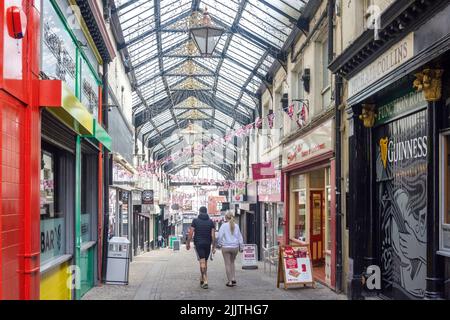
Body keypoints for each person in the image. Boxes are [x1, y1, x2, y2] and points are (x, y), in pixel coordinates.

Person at [186, 206, 216, 289]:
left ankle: (205, 280)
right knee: (205, 262)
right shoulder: (211, 222)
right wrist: (213, 246)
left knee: (202, 262)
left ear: (199, 212)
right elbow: (213, 236)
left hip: (199, 244)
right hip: (207, 244)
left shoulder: (195, 221)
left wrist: (188, 243)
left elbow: (191, 233)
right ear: (206, 212)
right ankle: (202, 278)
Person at [217, 212, 244, 287]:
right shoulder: (236, 226)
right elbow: (240, 237)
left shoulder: (223, 226)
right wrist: (241, 247)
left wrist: (219, 244)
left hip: (226, 247)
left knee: (227, 264)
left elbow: (219, 236)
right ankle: (233, 278)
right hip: (235, 247)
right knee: (232, 262)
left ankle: (229, 282)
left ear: (225, 218)